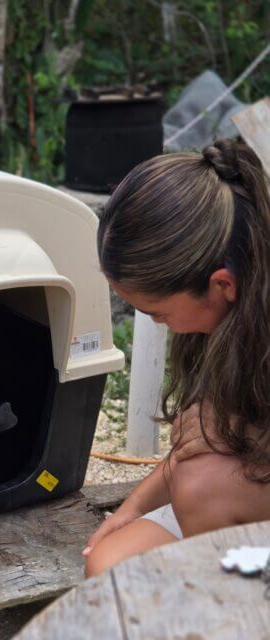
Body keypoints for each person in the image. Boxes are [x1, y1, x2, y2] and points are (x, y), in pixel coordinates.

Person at [84, 138, 270, 578]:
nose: (158, 323)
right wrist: (130, 510)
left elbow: (213, 453)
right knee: (109, 569)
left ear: (222, 285)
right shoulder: (227, 313)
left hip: (230, 491)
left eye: (157, 313)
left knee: (203, 488)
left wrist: (246, 437)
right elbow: (203, 443)